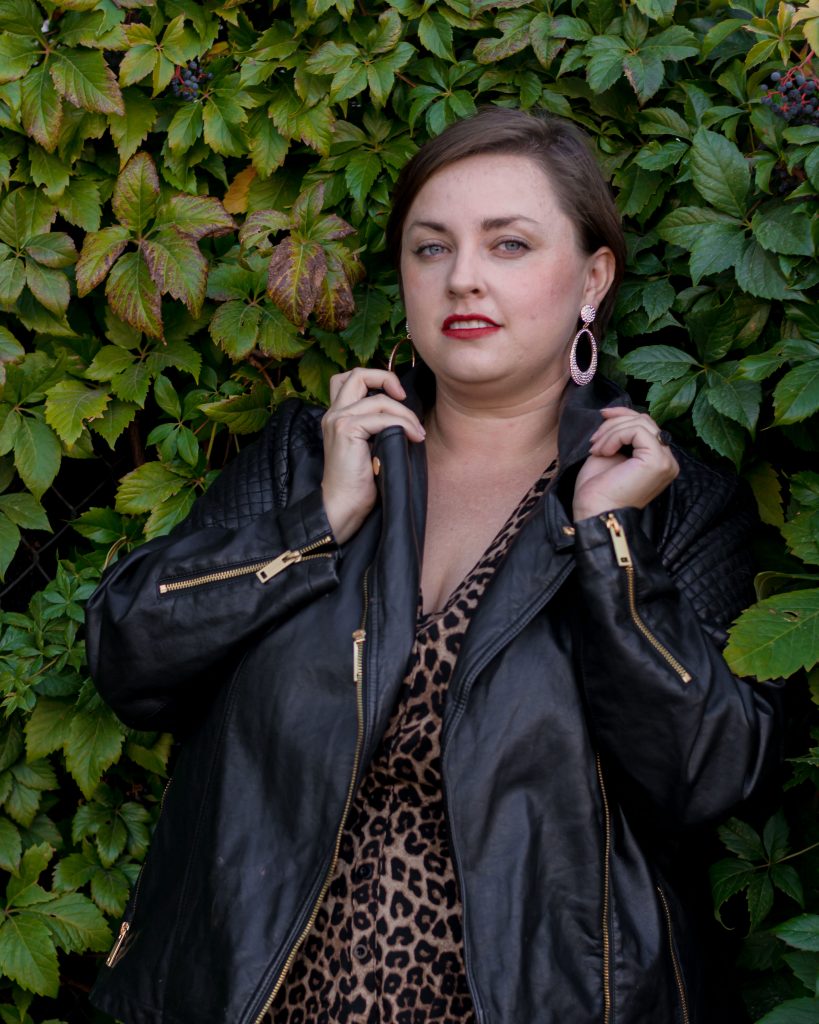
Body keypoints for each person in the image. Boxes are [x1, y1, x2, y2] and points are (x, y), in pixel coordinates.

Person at [85, 107, 780, 1024]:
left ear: (591, 278)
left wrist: (611, 549)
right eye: (429, 248)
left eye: (509, 245)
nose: (463, 279)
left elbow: (710, 775)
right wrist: (316, 524)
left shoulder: (672, 502)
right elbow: (131, 658)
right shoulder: (308, 456)